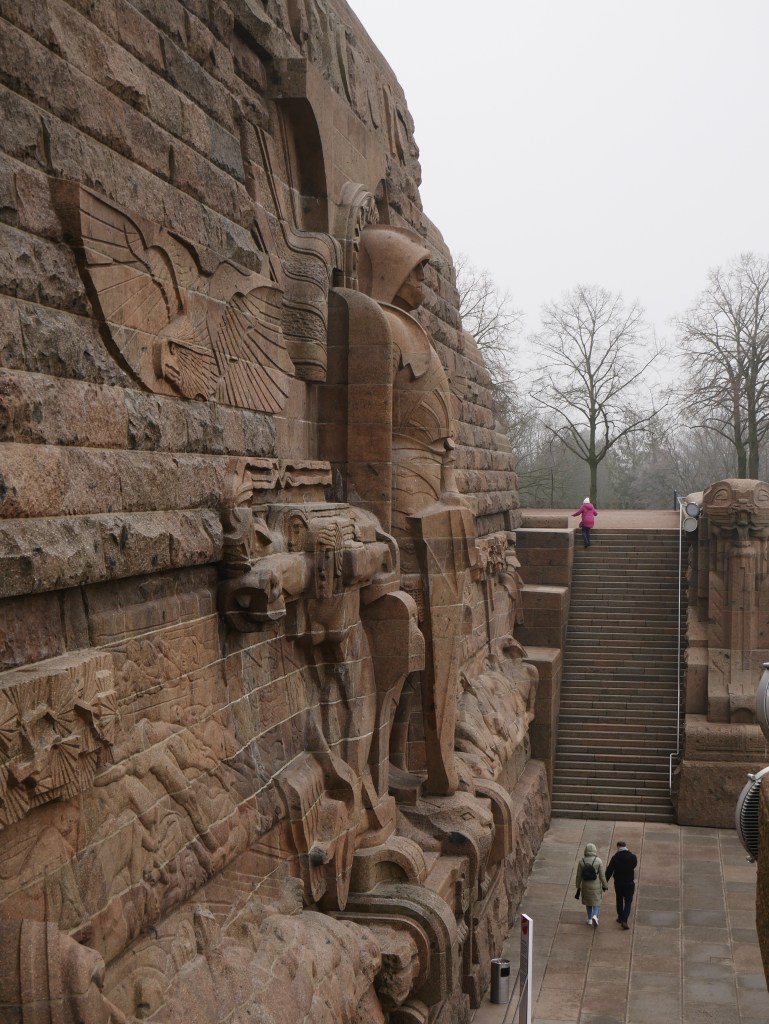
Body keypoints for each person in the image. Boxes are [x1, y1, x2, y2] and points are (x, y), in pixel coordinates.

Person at [605, 840, 638, 929]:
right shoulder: (632, 857)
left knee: (619, 899)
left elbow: (609, 871)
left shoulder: (615, 858)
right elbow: (634, 865)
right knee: (628, 902)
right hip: (629, 883)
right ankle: (624, 920)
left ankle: (620, 917)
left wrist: (604, 882)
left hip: (619, 883)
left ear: (618, 847)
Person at [575, 841, 608, 926]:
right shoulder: (598, 861)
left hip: (585, 885)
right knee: (596, 902)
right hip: (596, 885)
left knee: (588, 903)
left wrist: (578, 885)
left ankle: (589, 919)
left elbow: (578, 875)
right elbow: (602, 876)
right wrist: (605, 885)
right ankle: (595, 916)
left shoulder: (581, 861)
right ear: (595, 850)